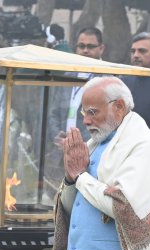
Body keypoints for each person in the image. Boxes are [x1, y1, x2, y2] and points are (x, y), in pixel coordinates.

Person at [53, 76, 150, 250]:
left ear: (119, 106)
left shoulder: (143, 144)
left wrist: (80, 176)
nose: (86, 121)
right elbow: (74, 205)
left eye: (92, 112)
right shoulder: (93, 144)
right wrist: (71, 178)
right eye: (84, 113)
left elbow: (123, 206)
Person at [46, 27, 105, 196]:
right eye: (81, 46)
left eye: (91, 46)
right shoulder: (68, 74)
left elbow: (105, 121)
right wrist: (56, 136)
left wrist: (79, 144)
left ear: (101, 48)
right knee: (56, 200)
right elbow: (54, 113)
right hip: (60, 152)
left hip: (89, 156)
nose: (85, 50)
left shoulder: (109, 79)